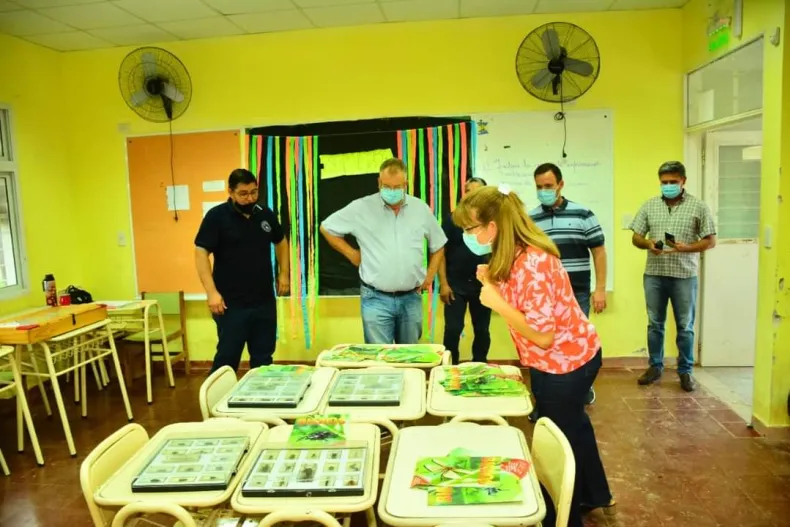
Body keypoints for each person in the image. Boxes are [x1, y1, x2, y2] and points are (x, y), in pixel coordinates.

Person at [453, 184, 614, 527]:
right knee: (575, 427)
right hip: (558, 359)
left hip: (565, 362)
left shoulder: (534, 262)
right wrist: (493, 283)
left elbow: (542, 335)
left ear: (492, 226)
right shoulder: (513, 252)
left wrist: (496, 302)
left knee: (559, 441)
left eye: (470, 228)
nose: (467, 235)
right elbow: (523, 299)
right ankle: (595, 494)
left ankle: (563, 514)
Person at [320, 158, 447, 344]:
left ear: (406, 184)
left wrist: (430, 275)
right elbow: (327, 228)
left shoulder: (420, 209)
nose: (392, 191)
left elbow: (439, 244)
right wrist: (352, 254)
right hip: (375, 298)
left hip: (411, 298)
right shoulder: (361, 208)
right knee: (378, 356)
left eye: (397, 187)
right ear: (379, 182)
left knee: (410, 355)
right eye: (387, 186)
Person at [529, 162, 607, 417]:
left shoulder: (583, 214)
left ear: (560, 185)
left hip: (577, 294)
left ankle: (577, 395)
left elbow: (599, 252)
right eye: (539, 187)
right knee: (543, 348)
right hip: (543, 298)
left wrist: (600, 289)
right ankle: (542, 403)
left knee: (574, 346)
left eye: (548, 186)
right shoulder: (530, 219)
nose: (543, 191)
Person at [630, 161, 716, 392]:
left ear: (683, 181)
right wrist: (648, 243)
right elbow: (636, 237)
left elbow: (710, 240)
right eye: (664, 182)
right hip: (655, 275)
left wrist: (687, 248)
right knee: (654, 324)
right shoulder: (650, 205)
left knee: (685, 326)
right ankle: (655, 367)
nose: (668, 186)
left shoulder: (698, 207)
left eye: (673, 182)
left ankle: (685, 371)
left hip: (684, 275)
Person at [194, 168, 290, 373]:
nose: (250, 198)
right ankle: (216, 394)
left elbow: (281, 241)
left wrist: (284, 273)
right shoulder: (217, 216)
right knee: (227, 359)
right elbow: (201, 253)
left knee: (263, 358)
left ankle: (261, 393)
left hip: (264, 301)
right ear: (231, 192)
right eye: (243, 194)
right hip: (230, 304)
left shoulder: (264, 213)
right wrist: (211, 292)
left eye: (254, 192)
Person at [439, 177, 491, 364]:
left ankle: (480, 365)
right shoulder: (452, 219)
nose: (472, 196)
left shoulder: (492, 221)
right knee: (453, 329)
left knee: (482, 330)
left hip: (483, 285)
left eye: (477, 192)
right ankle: (449, 367)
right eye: (468, 191)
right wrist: (443, 284)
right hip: (455, 286)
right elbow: (440, 253)